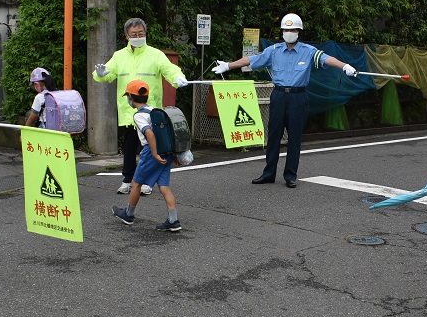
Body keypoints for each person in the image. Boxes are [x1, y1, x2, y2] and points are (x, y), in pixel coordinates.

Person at [213, 13, 358, 188]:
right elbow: (251, 60)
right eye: (286, 29)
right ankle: (268, 174)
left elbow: (327, 59)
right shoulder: (273, 51)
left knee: (294, 137)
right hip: (279, 95)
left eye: (293, 29)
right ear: (282, 31)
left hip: (298, 97)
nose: (289, 32)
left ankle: (290, 175)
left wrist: (345, 66)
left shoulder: (308, 51)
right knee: (273, 135)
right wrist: (228, 65)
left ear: (299, 31)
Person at [93, 17, 188, 196]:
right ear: (126, 35)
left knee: (151, 147)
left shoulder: (155, 54)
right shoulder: (119, 56)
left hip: (150, 111)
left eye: (141, 33)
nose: (137, 36)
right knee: (129, 148)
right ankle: (127, 179)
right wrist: (99, 74)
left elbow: (170, 70)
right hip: (129, 111)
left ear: (145, 33)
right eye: (134, 34)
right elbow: (106, 74)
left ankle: (148, 181)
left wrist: (178, 78)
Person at [111, 80, 181, 231]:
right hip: (167, 151)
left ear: (130, 97)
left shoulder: (139, 116)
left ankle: (128, 215)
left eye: (128, 96)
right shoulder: (155, 110)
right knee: (164, 187)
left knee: (136, 183)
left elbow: (149, 133)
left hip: (152, 151)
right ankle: (173, 220)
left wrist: (154, 153)